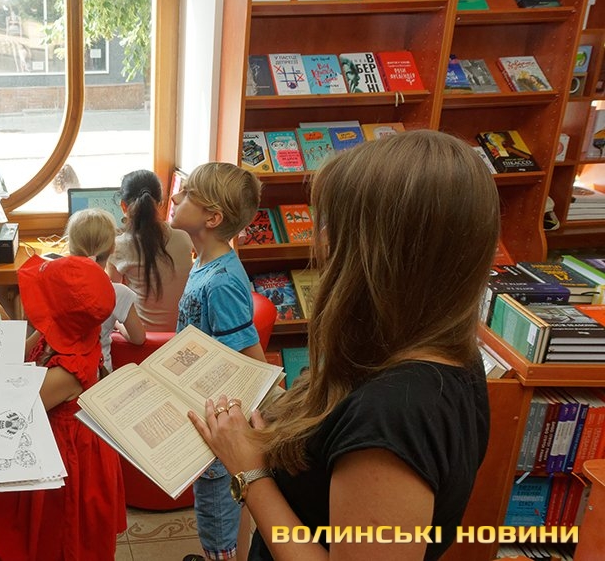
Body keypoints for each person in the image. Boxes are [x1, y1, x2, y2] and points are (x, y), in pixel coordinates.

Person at [189, 130, 497, 561]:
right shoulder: (433, 352)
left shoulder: (395, 415)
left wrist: (249, 472)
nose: (322, 241)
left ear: (381, 254)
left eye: (335, 227)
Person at [0, 255, 126, 560]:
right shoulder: (59, 331)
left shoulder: (70, 370)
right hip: (52, 443)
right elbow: (24, 355)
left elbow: (16, 404)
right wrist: (2, 321)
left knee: (59, 537)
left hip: (67, 461)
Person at [169, 161, 266, 561]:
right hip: (204, 406)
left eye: (188, 193)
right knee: (226, 506)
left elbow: (245, 357)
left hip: (217, 418)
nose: (176, 196)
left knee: (217, 517)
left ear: (212, 218)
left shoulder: (222, 281)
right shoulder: (206, 263)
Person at [108, 169, 194, 333]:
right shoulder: (184, 237)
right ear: (161, 204)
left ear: (123, 206)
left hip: (142, 338)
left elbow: (112, 299)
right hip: (181, 335)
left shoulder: (118, 246)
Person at [65, 207, 146, 372]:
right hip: (99, 376)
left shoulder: (55, 287)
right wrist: (116, 324)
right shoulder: (118, 293)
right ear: (112, 248)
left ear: (70, 246)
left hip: (62, 371)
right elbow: (138, 338)